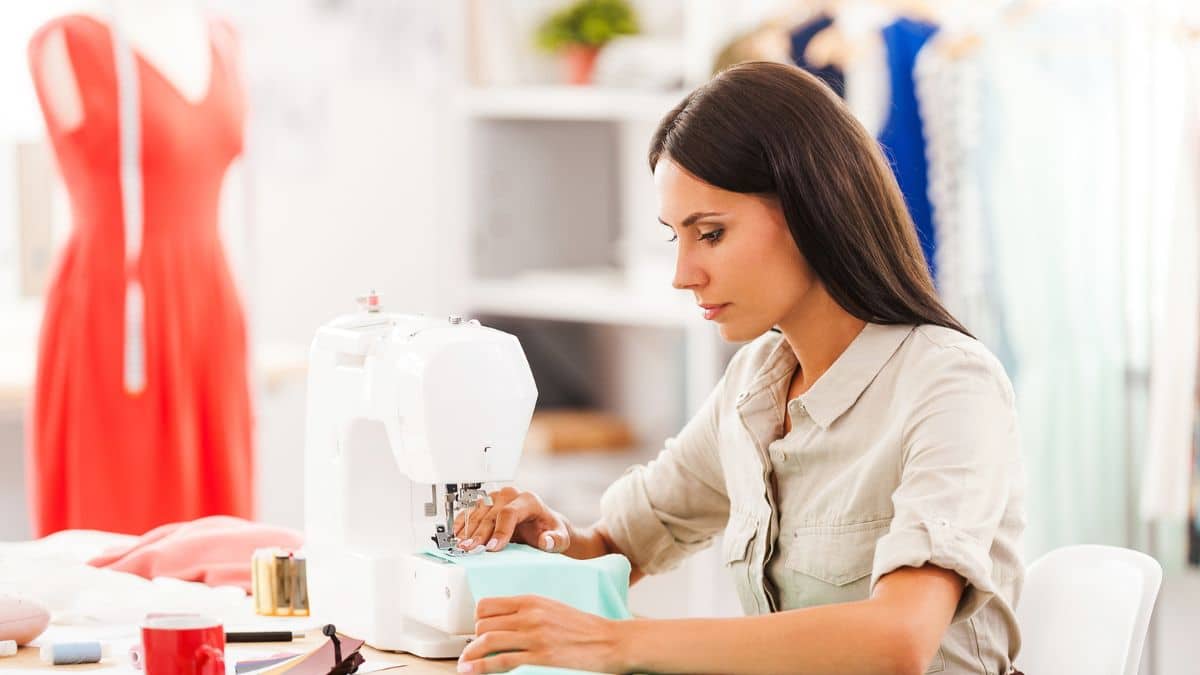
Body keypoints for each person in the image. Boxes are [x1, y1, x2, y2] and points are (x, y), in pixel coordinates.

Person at [453, 61, 1025, 675]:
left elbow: (897, 640)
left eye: (712, 234)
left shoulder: (949, 385)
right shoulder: (756, 385)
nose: (683, 274)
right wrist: (550, 537)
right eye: (677, 237)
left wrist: (616, 642)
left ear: (814, 210)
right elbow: (619, 545)